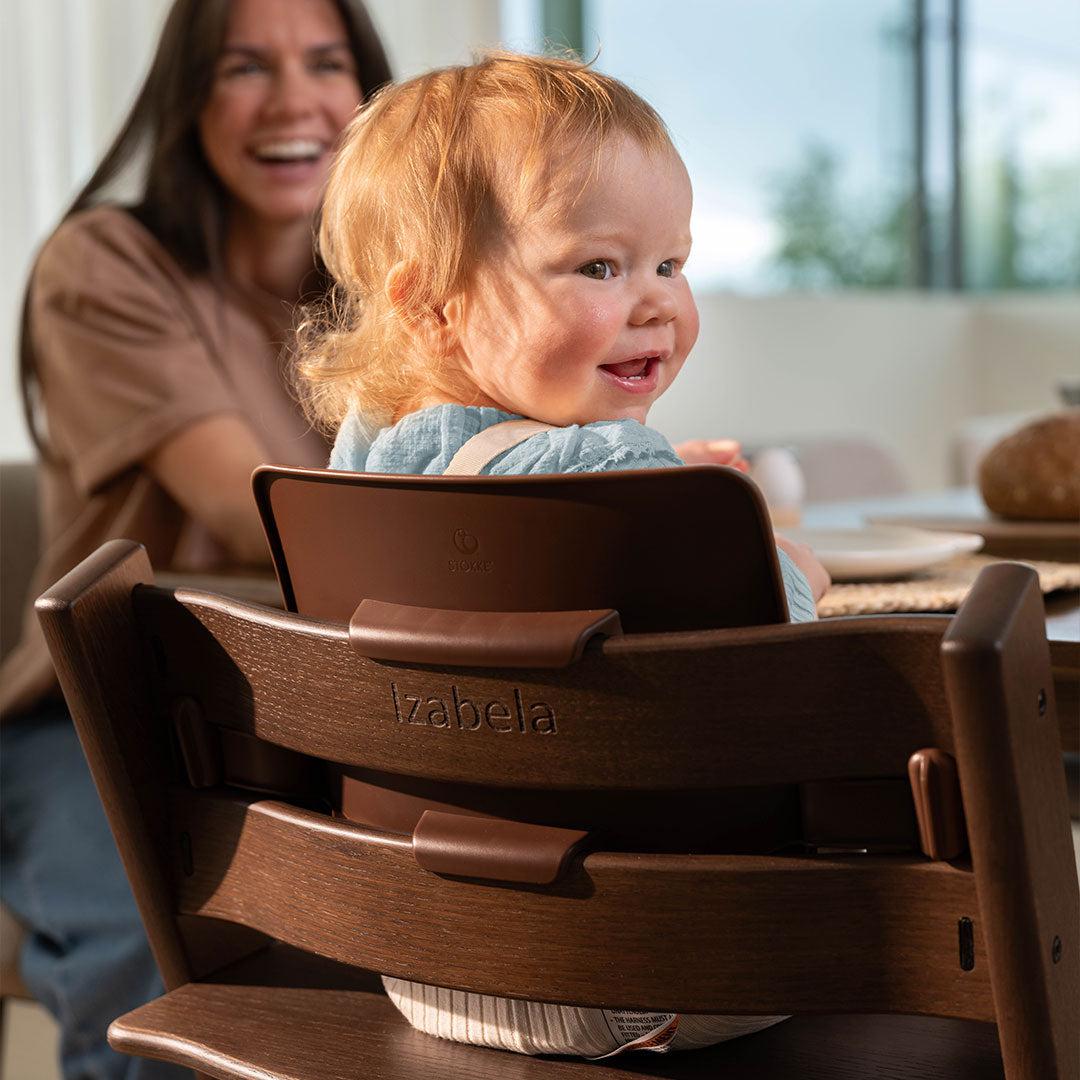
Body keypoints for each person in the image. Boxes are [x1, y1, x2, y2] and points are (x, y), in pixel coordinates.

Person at [297, 52, 830, 1058]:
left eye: (671, 263)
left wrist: (670, 497)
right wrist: (777, 551)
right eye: (600, 266)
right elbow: (784, 671)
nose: (657, 303)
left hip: (431, 961)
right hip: (647, 965)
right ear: (432, 305)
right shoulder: (607, 467)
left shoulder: (363, 464)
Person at [0, 1, 391, 1076]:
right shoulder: (105, 265)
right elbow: (250, 512)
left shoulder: (390, 295)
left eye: (325, 62)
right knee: (160, 968)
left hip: (324, 718)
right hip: (98, 720)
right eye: (243, 68)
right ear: (188, 98)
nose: (294, 100)